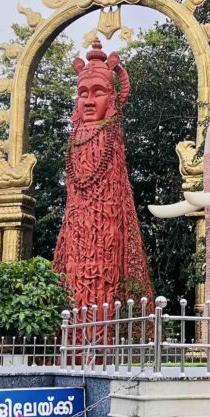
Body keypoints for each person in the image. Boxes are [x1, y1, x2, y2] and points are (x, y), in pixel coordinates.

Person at [53, 40, 154, 314]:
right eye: (82, 93)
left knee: (108, 253)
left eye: (97, 92)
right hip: (77, 239)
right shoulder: (76, 136)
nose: (87, 101)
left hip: (108, 234)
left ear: (112, 98)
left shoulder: (111, 135)